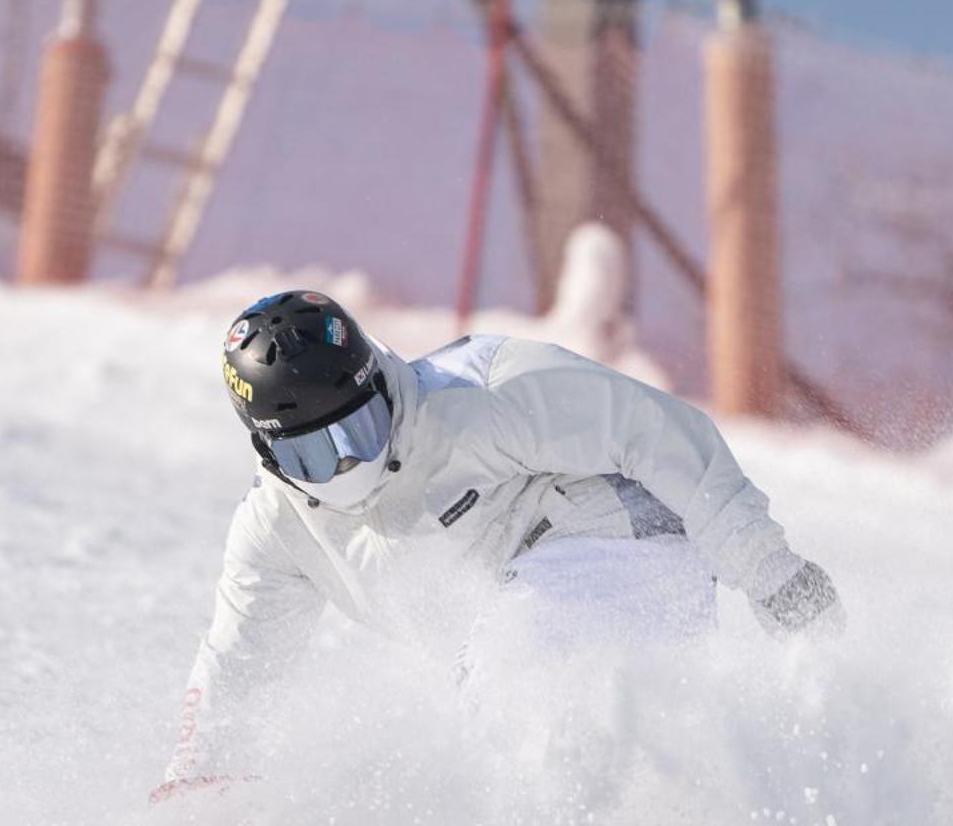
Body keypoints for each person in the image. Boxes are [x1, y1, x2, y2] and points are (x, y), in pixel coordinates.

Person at [153, 290, 842, 799]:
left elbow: (665, 434)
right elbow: (239, 656)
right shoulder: (277, 526)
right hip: (508, 622)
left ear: (379, 390)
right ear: (268, 449)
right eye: (310, 455)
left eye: (358, 432)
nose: (344, 468)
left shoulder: (483, 394)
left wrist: (770, 572)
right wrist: (195, 786)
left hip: (620, 538)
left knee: (518, 673)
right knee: (488, 718)